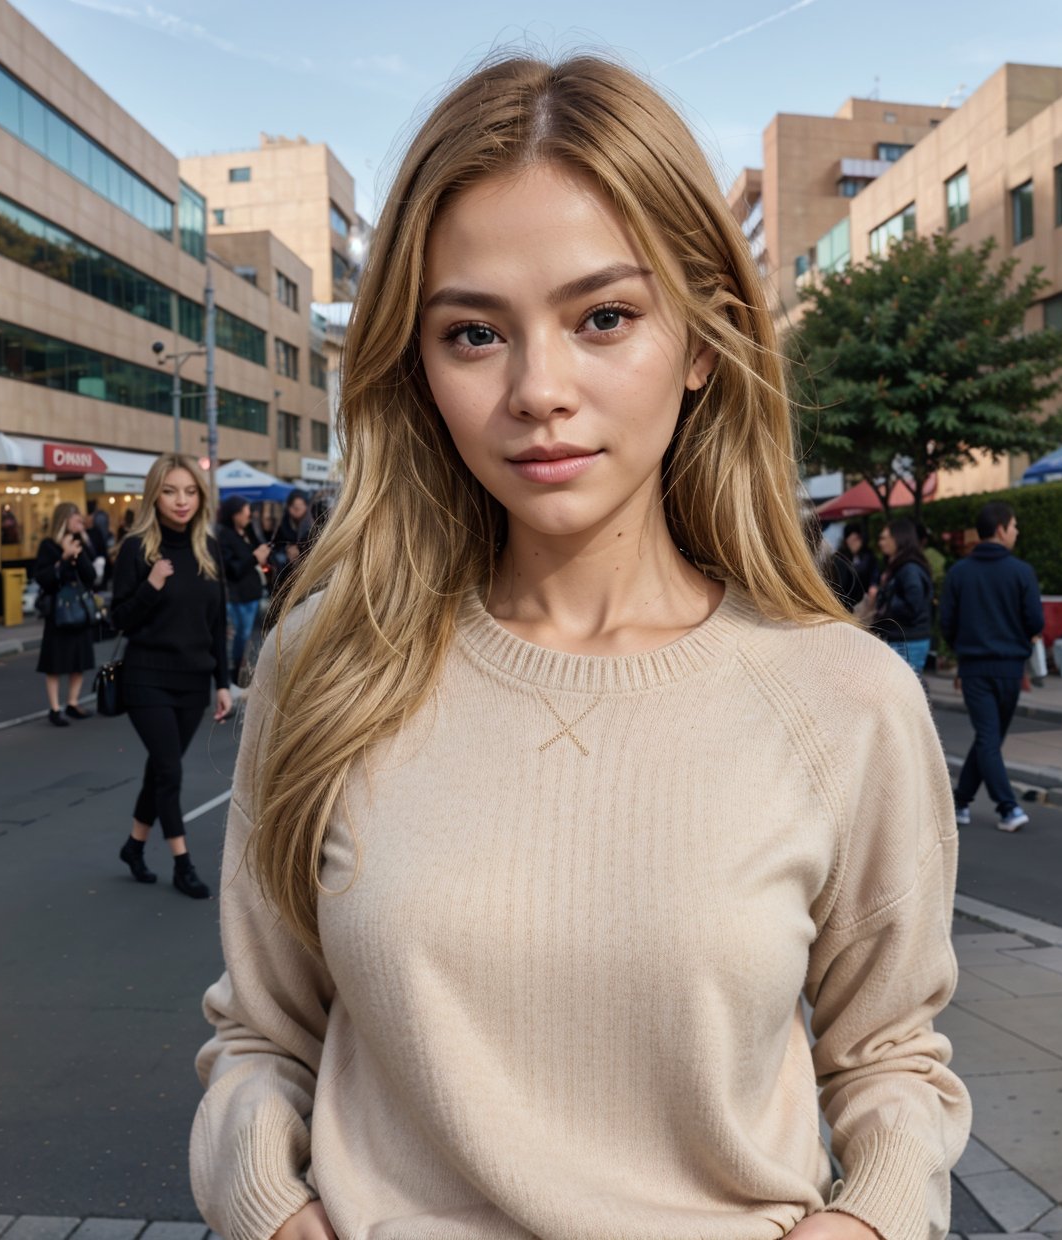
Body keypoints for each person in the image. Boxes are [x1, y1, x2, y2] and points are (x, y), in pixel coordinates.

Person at [190, 55, 970, 1240]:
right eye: (472, 333)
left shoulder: (843, 697)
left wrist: (862, 1222)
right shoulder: (330, 664)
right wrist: (271, 1210)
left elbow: (891, 1063)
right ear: (419, 366)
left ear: (702, 340)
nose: (537, 389)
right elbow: (260, 1037)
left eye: (603, 317)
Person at [111, 454, 231, 900]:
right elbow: (119, 618)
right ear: (154, 495)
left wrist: (223, 682)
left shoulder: (208, 549)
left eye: (189, 491)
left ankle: (133, 845)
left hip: (192, 682)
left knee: (160, 771)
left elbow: (217, 625)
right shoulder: (137, 548)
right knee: (170, 770)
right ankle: (183, 864)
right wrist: (152, 584)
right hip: (147, 679)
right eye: (170, 491)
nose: (181, 501)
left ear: (200, 496)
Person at [940, 501, 1043, 832]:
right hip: (1011, 667)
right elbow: (1035, 621)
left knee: (989, 738)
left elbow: (946, 623)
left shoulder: (958, 573)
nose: (1017, 532)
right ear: (1000, 529)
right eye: (1014, 526)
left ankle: (960, 801)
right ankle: (1007, 807)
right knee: (989, 737)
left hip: (973, 666)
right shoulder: (1022, 572)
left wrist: (963, 649)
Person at [33, 501, 97, 727]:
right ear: (64, 519)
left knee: (79, 658)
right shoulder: (48, 545)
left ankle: (73, 702)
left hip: (79, 608)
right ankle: (54, 708)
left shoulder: (81, 544)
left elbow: (91, 576)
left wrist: (78, 554)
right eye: (76, 519)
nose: (80, 523)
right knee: (55, 661)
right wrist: (62, 559)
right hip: (58, 611)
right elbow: (43, 578)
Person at [216, 494, 270, 685]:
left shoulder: (247, 532)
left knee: (247, 636)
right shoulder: (225, 536)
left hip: (252, 592)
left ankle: (241, 673)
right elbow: (233, 569)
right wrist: (255, 557)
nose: (250, 515)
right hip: (239, 595)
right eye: (246, 511)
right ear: (234, 514)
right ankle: (235, 675)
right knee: (241, 636)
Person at [872, 517, 934, 675]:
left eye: (885, 538)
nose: (881, 543)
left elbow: (914, 604)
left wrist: (885, 598)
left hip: (907, 639)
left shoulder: (909, 568)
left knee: (904, 693)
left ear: (898, 538)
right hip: (903, 637)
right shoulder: (899, 566)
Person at [271, 488, 313, 593]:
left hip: (306, 569)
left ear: (306, 506)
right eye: (294, 507)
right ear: (289, 507)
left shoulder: (312, 524)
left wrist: (300, 551)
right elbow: (275, 545)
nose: (297, 510)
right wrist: (286, 549)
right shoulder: (283, 524)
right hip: (285, 570)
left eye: (300, 506)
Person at [836, 522, 879, 596]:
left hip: (866, 595)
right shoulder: (840, 557)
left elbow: (874, 574)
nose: (854, 543)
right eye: (851, 540)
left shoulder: (868, 555)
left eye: (857, 539)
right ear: (846, 541)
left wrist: (873, 585)